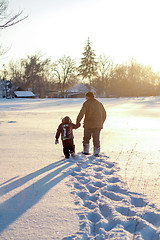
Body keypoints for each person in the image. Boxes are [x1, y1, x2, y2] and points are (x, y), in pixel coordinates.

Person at [76, 91, 106, 157]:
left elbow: (81, 113)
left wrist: (77, 122)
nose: (85, 98)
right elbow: (104, 114)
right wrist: (101, 122)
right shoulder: (99, 104)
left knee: (86, 138)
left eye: (86, 97)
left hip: (88, 124)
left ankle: (86, 151)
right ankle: (96, 153)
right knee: (96, 139)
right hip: (98, 125)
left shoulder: (86, 103)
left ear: (88, 96)